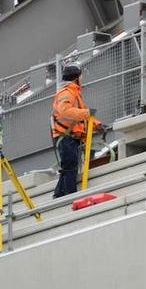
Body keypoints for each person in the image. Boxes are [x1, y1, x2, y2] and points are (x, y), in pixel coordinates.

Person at [51, 64, 99, 199]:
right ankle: (70, 195)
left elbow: (82, 117)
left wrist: (97, 124)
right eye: (80, 76)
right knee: (70, 165)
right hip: (66, 136)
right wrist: (86, 113)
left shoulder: (74, 93)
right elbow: (65, 111)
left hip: (71, 136)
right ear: (76, 78)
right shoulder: (67, 93)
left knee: (69, 165)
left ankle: (59, 194)